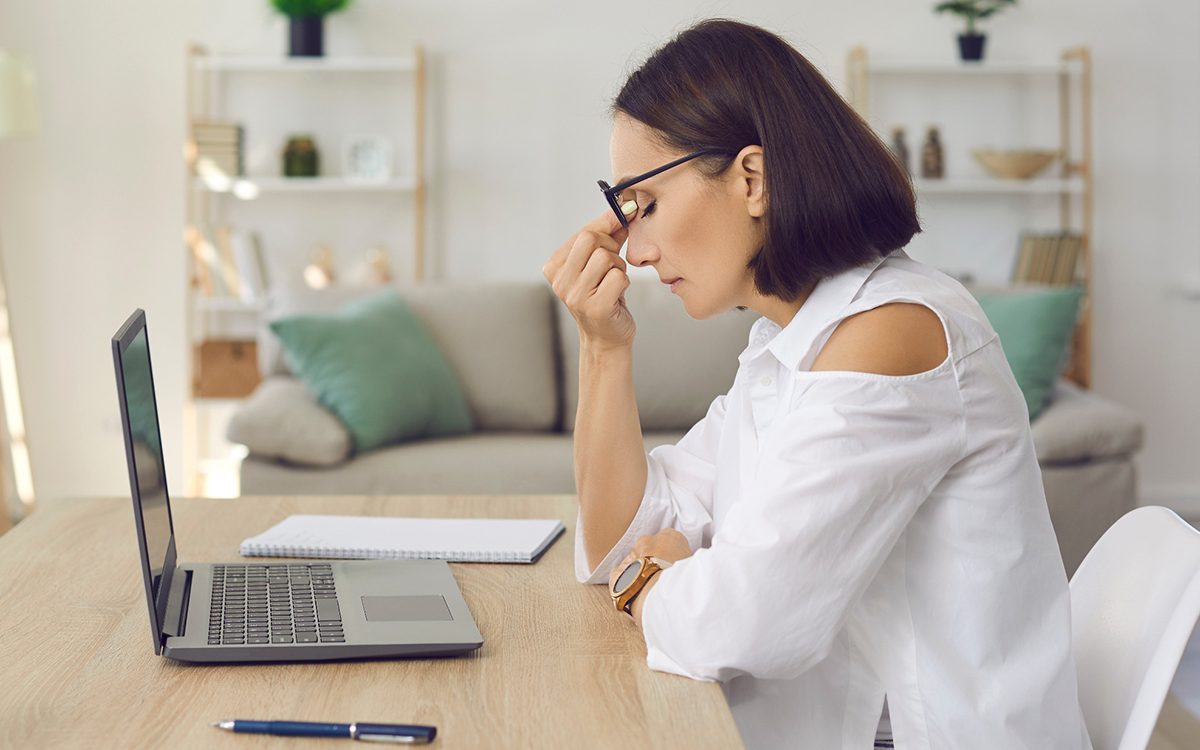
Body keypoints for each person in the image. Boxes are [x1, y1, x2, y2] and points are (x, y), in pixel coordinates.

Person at [542, 18, 1092, 750]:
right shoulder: (788, 341)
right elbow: (622, 544)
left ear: (752, 178)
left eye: (645, 205)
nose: (634, 250)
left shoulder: (892, 332)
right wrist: (602, 350)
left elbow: (747, 625)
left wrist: (650, 585)